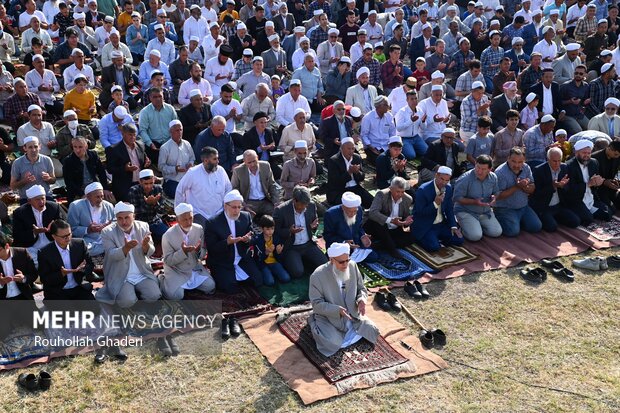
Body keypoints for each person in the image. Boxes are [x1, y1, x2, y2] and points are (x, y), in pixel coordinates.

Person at [308, 241, 379, 357]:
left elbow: (361, 288)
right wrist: (337, 310)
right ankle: (312, 322)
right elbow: (316, 304)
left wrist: (361, 300)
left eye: (347, 260)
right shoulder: (317, 276)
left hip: (352, 314)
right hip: (329, 316)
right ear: (331, 260)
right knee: (332, 343)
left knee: (372, 330)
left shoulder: (352, 266)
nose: (345, 265)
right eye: (341, 262)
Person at [96, 202, 162, 307]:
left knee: (154, 296)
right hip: (120, 274)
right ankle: (128, 293)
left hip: (141, 272)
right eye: (120, 218)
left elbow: (151, 251)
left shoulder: (143, 226)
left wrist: (146, 246)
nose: (123, 222)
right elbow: (111, 254)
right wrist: (125, 249)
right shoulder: (107, 232)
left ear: (133, 216)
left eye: (127, 217)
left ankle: (135, 291)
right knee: (126, 302)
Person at [204, 190, 263, 293]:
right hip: (223, 260)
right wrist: (226, 242)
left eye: (239, 207)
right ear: (226, 206)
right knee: (229, 288)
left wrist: (248, 239)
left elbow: (253, 236)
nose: (237, 211)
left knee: (258, 281)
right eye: (234, 207)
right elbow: (212, 247)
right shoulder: (213, 222)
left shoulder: (245, 217)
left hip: (242, 258)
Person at [160, 203, 215, 300]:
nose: (189, 222)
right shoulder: (167, 235)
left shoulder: (198, 229)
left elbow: (202, 254)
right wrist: (183, 252)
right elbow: (168, 260)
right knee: (176, 296)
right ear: (177, 220)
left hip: (194, 268)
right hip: (176, 270)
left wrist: (198, 251)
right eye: (185, 219)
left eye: (190, 218)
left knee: (210, 287)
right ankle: (162, 279)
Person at [273, 186, 327, 279]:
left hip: (308, 244)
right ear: (294, 200)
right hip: (291, 247)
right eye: (302, 204)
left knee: (325, 265)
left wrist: (313, 227)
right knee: (297, 272)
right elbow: (275, 232)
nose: (304, 207)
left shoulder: (311, 205)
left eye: (306, 204)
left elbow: (313, 224)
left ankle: (304, 261)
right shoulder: (281, 210)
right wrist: (289, 231)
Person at [175, 146, 232, 231]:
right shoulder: (193, 173)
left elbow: (228, 189)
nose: (218, 161)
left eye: (217, 158)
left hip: (219, 212)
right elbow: (180, 190)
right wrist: (180, 212)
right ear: (205, 161)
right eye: (215, 159)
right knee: (201, 235)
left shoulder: (221, 171)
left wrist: (227, 206)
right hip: (200, 214)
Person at [38, 219, 95, 300]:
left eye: (69, 234)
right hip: (58, 291)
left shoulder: (80, 244)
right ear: (54, 236)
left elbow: (90, 265)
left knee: (93, 310)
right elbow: (45, 279)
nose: (68, 238)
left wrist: (82, 269)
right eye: (64, 236)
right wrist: (61, 274)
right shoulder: (44, 253)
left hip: (78, 287)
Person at [12, 185, 66, 267]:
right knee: (33, 263)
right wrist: (34, 232)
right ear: (29, 201)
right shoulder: (20, 213)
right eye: (37, 199)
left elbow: (65, 226)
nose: (41, 202)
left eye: (43, 198)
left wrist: (54, 227)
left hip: (52, 243)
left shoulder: (54, 207)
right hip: (32, 247)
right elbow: (17, 236)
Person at [412, 166, 464, 252]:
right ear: (436, 175)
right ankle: (425, 238)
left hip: (440, 224)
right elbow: (419, 212)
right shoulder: (423, 190)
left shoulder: (448, 188)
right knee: (434, 247)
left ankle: (437, 238)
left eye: (447, 180)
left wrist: (453, 226)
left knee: (459, 240)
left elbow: (449, 208)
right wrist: (435, 204)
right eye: (442, 179)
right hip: (426, 225)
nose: (444, 183)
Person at [494, 147, 543, 237]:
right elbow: (498, 196)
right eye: (513, 161)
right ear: (508, 158)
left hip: (523, 207)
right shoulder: (500, 173)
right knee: (512, 232)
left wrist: (526, 187)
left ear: (524, 160)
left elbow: (532, 187)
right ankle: (501, 219)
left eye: (520, 162)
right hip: (505, 209)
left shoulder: (526, 168)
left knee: (536, 227)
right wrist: (517, 187)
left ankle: (516, 221)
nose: (517, 165)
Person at [529, 148, 581, 232]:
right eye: (554, 161)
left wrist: (562, 186)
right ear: (548, 160)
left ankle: (554, 218)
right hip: (545, 206)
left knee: (575, 222)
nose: (557, 164)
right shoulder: (539, 170)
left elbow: (568, 188)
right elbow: (536, 193)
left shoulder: (564, 167)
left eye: (559, 160)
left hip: (558, 206)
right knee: (551, 227)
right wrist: (552, 187)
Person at [562, 139, 613, 225]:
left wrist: (598, 183)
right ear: (576, 153)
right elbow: (569, 190)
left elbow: (595, 185)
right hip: (576, 199)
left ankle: (587, 211)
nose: (587, 155)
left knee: (608, 214)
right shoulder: (568, 166)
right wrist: (588, 184)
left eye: (589, 153)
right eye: (584, 153)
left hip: (590, 197)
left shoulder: (594, 162)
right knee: (588, 219)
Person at [453, 154, 503, 241]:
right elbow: (456, 198)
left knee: (496, 232)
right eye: (478, 167)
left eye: (483, 169)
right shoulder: (465, 178)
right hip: (466, 211)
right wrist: (474, 202)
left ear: (489, 169)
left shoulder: (493, 177)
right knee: (475, 237)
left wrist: (494, 197)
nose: (479, 171)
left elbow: (496, 192)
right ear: (475, 164)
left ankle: (475, 226)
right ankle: (463, 225)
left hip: (485, 212)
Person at [363, 177, 414, 258]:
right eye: (397, 192)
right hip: (377, 226)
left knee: (411, 238)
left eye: (402, 192)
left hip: (393, 229)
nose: (400, 194)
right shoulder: (382, 194)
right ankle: (392, 249)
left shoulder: (407, 199)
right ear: (391, 189)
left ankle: (378, 245)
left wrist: (406, 221)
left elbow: (405, 218)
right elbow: (373, 213)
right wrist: (391, 221)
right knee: (379, 223)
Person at [323, 192, 377, 263]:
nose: (352, 214)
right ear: (343, 207)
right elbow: (327, 236)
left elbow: (359, 227)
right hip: (339, 246)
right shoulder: (330, 214)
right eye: (349, 211)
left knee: (374, 257)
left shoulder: (359, 210)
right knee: (340, 261)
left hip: (356, 244)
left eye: (355, 211)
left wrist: (363, 236)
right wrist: (344, 242)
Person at [67, 182, 115, 258]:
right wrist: (88, 230)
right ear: (88, 197)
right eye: (97, 197)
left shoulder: (108, 206)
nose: (100, 200)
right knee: (82, 249)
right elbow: (71, 229)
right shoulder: (76, 206)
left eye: (102, 196)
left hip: (105, 238)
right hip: (87, 240)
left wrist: (108, 226)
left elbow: (115, 223)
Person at [231, 150, 280, 219]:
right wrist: (243, 205)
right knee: (244, 219)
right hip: (249, 202)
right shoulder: (238, 171)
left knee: (278, 214)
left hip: (265, 201)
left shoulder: (265, 166)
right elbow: (234, 189)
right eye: (249, 162)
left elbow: (272, 185)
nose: (252, 164)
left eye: (254, 161)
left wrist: (276, 202)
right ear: (244, 161)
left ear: (257, 157)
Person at [326, 137, 373, 207]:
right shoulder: (334, 160)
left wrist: (357, 172)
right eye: (348, 149)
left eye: (353, 149)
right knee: (351, 206)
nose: (351, 151)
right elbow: (335, 182)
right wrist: (349, 172)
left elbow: (362, 177)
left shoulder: (357, 157)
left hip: (355, 188)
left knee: (372, 202)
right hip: (339, 191)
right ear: (341, 149)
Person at [62, 136, 110, 203]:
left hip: (95, 187)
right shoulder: (68, 161)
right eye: (75, 147)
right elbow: (69, 182)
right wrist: (82, 194)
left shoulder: (93, 155)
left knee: (111, 201)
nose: (77, 150)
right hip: (79, 191)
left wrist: (105, 188)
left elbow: (101, 173)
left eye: (80, 147)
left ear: (86, 146)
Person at [127, 169, 168, 242]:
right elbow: (134, 211)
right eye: (146, 184)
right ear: (140, 182)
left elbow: (163, 210)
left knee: (167, 236)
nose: (149, 186)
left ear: (154, 181)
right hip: (139, 223)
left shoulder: (158, 189)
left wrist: (155, 203)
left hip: (154, 221)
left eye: (151, 183)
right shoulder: (133, 190)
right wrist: (148, 204)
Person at [10, 136, 56, 201]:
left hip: (45, 196)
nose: (34, 150)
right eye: (30, 147)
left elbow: (53, 180)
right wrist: (24, 181)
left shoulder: (47, 160)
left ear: (40, 146)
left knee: (53, 209)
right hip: (27, 198)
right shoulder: (17, 163)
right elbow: (12, 186)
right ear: (25, 148)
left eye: (36, 147)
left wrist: (49, 178)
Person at [158, 120, 195, 199]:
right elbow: (161, 167)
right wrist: (175, 169)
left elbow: (192, 158)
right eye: (177, 130)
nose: (179, 132)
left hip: (187, 178)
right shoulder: (165, 148)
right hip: (172, 180)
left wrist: (190, 164)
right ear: (171, 132)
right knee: (180, 195)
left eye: (181, 130)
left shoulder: (187, 144)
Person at [252, 214, 291, 286]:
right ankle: (266, 273)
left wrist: (278, 252)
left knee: (286, 278)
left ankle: (273, 272)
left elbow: (279, 257)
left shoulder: (276, 238)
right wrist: (266, 252)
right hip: (263, 264)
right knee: (270, 282)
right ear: (261, 228)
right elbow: (257, 259)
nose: (270, 231)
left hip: (274, 262)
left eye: (272, 228)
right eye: (267, 229)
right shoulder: (258, 240)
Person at [395, 90, 427, 159]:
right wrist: (411, 121)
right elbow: (399, 128)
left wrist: (423, 121)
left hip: (416, 137)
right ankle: (406, 149)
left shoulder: (420, 111)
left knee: (427, 151)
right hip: (404, 138)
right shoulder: (402, 112)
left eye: (416, 99)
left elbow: (423, 128)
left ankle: (413, 148)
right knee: (411, 155)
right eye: (412, 99)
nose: (414, 101)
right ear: (407, 100)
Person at [592, 140, 620, 209]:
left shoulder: (618, 156)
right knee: (610, 208)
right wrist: (604, 182)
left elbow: (617, 171)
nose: (617, 157)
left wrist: (616, 179)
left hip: (611, 187)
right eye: (615, 154)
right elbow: (590, 177)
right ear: (609, 148)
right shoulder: (594, 158)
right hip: (598, 189)